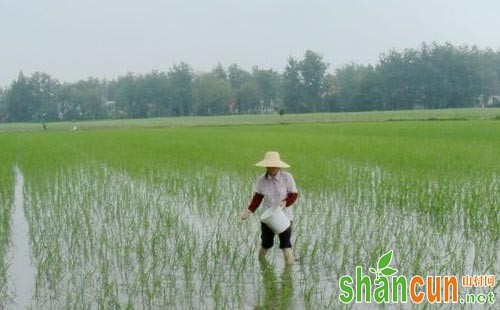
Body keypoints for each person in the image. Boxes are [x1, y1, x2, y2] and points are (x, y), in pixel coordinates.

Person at [241, 151, 299, 265]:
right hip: (268, 217)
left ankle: (288, 273)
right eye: (269, 166)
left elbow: (294, 194)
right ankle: (261, 263)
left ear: (278, 166)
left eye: (274, 166)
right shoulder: (261, 180)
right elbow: (257, 198)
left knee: (285, 244)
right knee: (266, 243)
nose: (271, 168)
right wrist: (248, 211)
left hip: (285, 216)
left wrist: (286, 202)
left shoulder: (287, 178)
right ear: (265, 166)